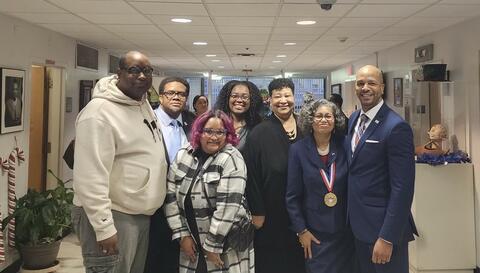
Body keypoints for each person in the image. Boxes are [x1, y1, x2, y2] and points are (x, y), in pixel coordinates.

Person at [72, 51, 168, 273]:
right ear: (119, 73)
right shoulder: (99, 113)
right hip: (115, 214)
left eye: (147, 71)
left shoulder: (141, 103)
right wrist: (104, 227)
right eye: (134, 70)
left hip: (138, 213)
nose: (142, 76)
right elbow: (89, 176)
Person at [164, 110, 254, 273]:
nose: (214, 137)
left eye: (220, 132)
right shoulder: (184, 154)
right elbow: (170, 196)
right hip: (191, 240)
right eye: (208, 131)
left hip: (223, 244)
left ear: (227, 134)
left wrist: (213, 245)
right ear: (199, 132)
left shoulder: (232, 158)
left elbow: (228, 208)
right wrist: (181, 234)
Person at [347, 65, 417, 273]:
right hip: (357, 227)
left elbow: (402, 188)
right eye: (360, 83)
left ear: (383, 87)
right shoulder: (353, 119)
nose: (365, 88)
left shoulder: (396, 127)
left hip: (382, 230)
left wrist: (387, 237)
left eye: (372, 83)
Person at [243, 78, 305, 273]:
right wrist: (257, 211)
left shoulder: (307, 128)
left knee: (301, 261)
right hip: (271, 213)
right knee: (273, 263)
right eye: (277, 96)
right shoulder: (259, 133)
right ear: (269, 100)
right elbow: (250, 175)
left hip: (304, 211)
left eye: (287, 95)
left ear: (294, 97)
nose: (283, 100)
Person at [286, 99, 354, 273]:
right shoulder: (298, 150)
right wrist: (301, 231)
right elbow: (292, 197)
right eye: (319, 116)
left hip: (345, 232)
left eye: (328, 116)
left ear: (335, 120)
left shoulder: (345, 145)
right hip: (314, 233)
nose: (324, 120)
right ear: (310, 119)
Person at [144, 76, 195, 273]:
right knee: (153, 259)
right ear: (162, 96)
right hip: (152, 205)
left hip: (183, 205)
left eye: (181, 94)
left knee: (178, 261)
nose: (176, 97)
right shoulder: (147, 121)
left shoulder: (193, 124)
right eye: (171, 93)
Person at [214, 80, 262, 150]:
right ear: (227, 99)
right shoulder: (216, 121)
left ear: (252, 101)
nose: (239, 100)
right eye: (234, 96)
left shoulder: (258, 126)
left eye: (245, 97)